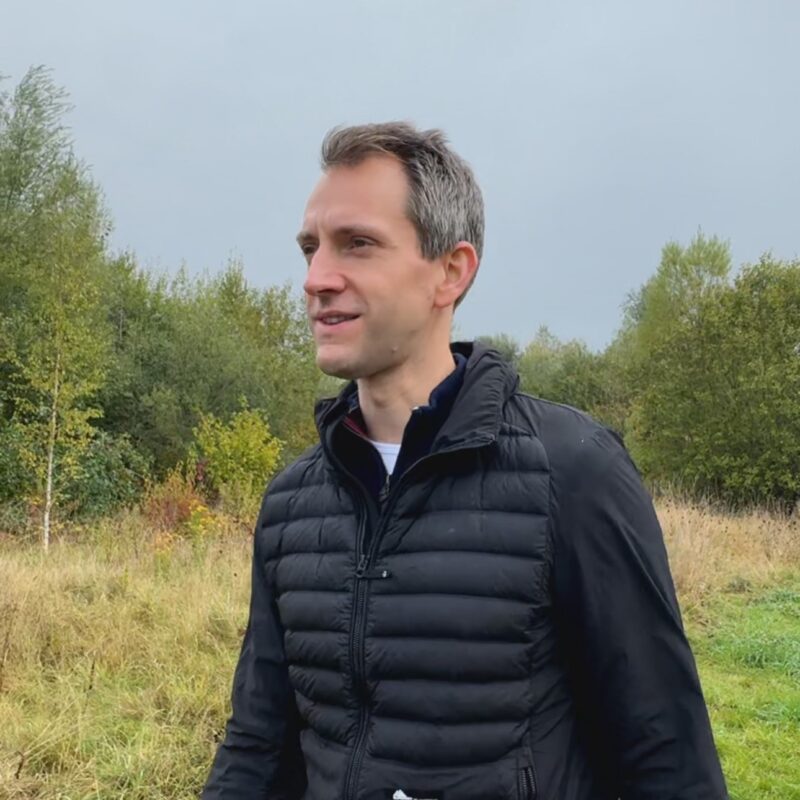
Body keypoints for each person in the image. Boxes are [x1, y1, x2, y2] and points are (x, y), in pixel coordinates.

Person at [202, 122, 728, 800]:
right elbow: (258, 747)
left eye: (357, 244)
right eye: (310, 249)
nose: (316, 279)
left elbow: (667, 760)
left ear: (451, 271)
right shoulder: (292, 503)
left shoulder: (574, 473)